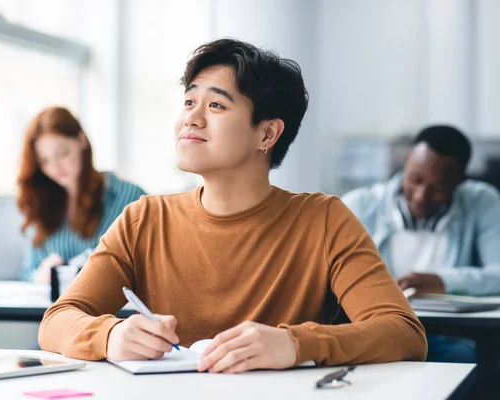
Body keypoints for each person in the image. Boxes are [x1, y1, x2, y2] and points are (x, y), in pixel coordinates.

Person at [39, 39, 426, 372]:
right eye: (189, 100)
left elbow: (403, 332)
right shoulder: (144, 218)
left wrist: (295, 345)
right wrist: (111, 334)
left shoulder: (323, 219)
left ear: (267, 133)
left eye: (216, 106)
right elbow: (56, 321)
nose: (191, 117)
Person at [342, 125, 500, 363]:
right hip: (375, 332)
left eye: (438, 189)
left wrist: (441, 281)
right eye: (415, 179)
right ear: (407, 161)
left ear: (460, 181)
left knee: (468, 359)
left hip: (444, 335)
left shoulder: (481, 202)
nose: (420, 196)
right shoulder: (359, 205)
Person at [17, 106, 146, 284]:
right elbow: (27, 273)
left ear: (81, 140)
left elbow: (149, 266)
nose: (55, 168)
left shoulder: (130, 197)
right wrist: (41, 276)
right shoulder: (42, 202)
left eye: (63, 154)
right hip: (56, 308)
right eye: (44, 161)